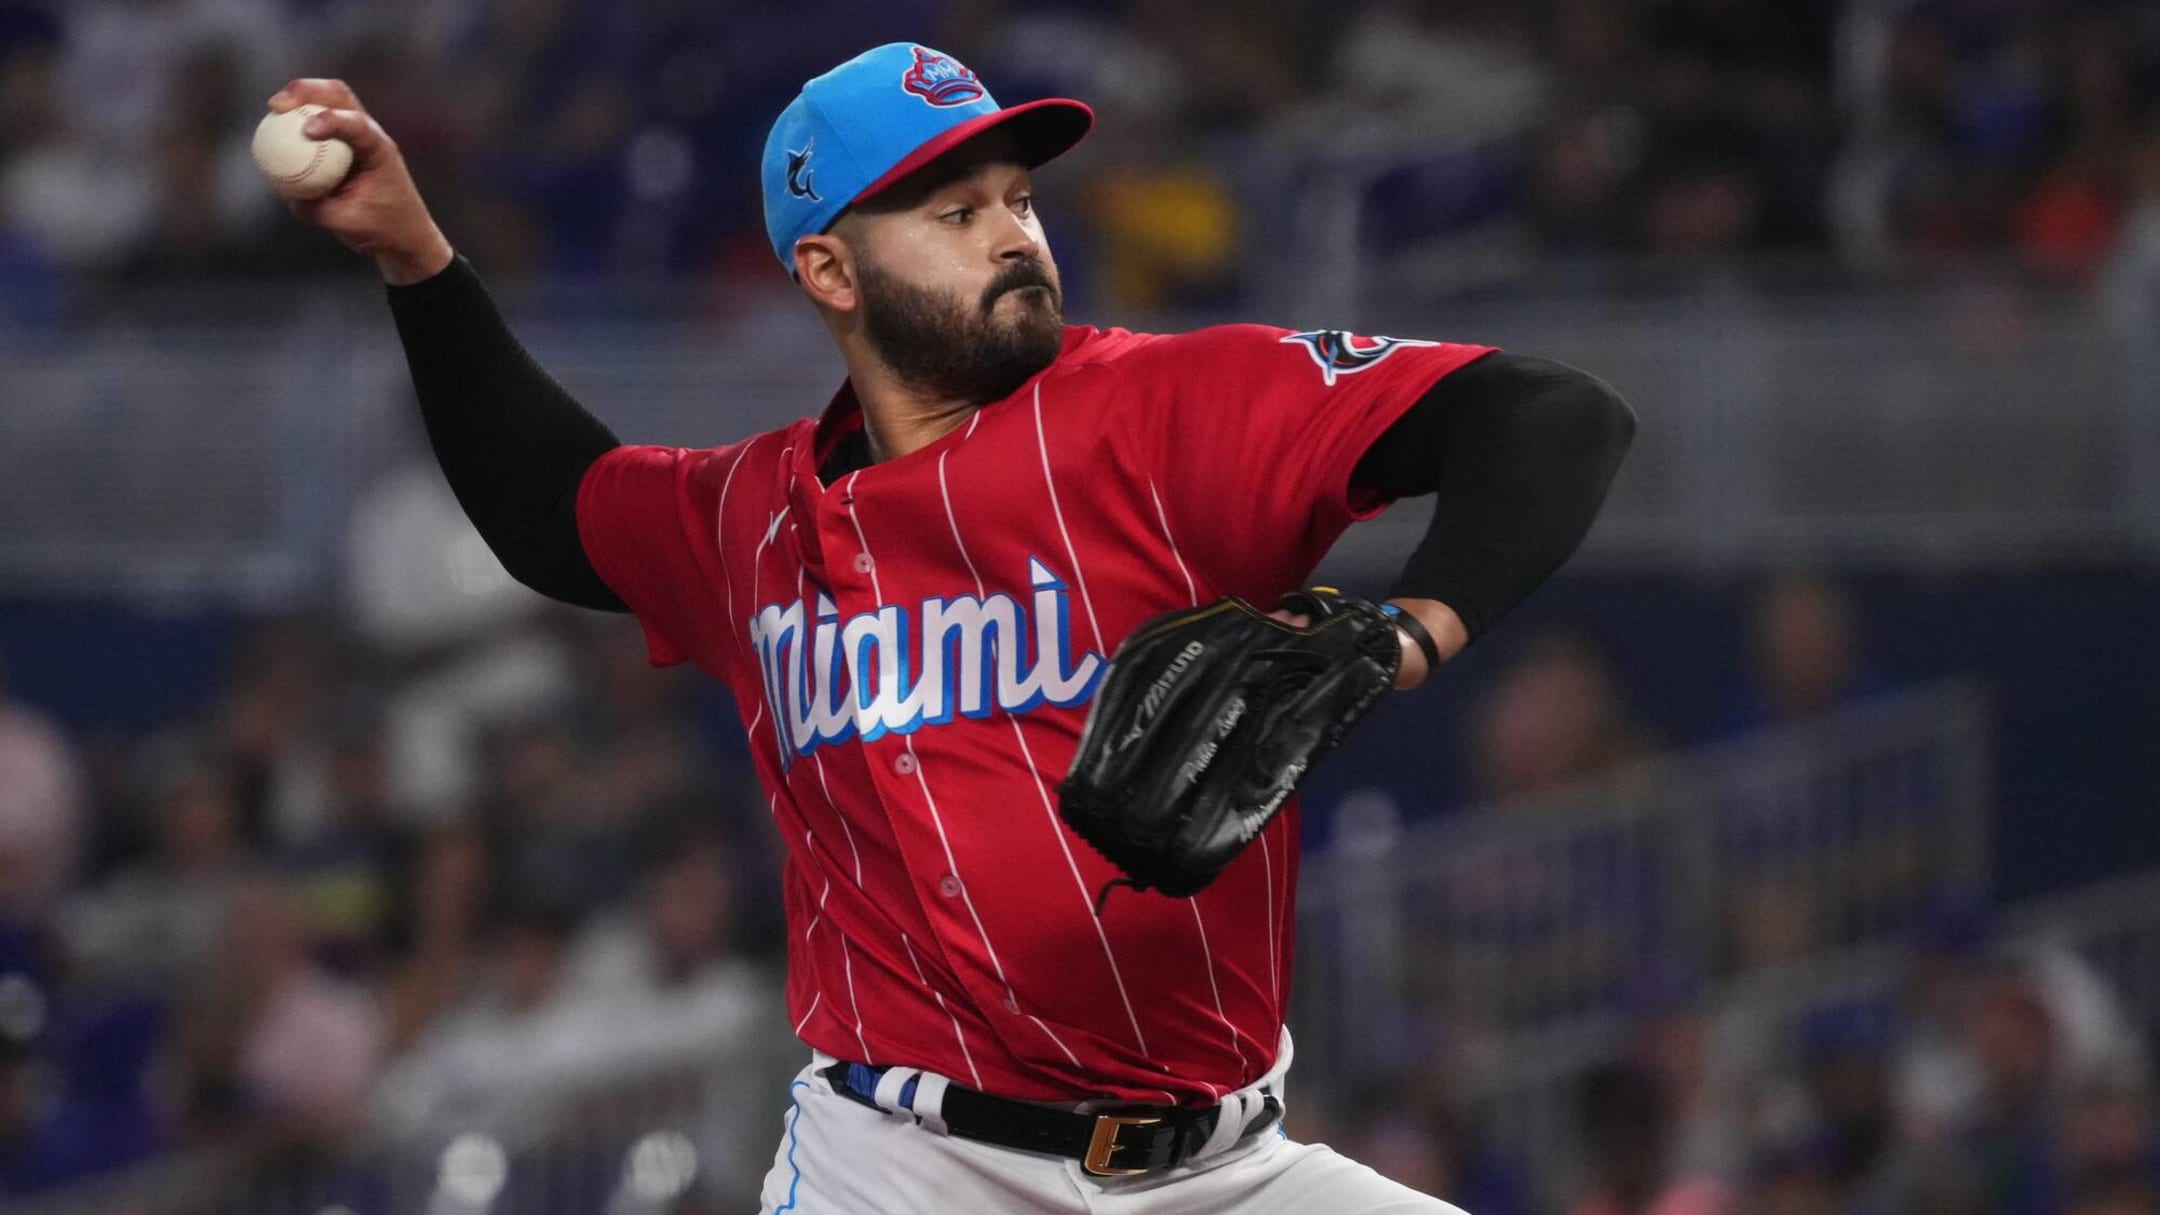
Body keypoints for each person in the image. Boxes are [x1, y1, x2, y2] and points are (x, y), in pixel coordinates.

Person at [272, 40, 1634, 1214]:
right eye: (950, 208)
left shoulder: (1171, 408)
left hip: (1226, 1164)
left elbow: (1554, 415)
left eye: (1018, 197)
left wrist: (1398, 633)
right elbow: (551, 510)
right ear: (829, 269)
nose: (1011, 232)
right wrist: (415, 257)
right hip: (904, 1164)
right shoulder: (749, 517)